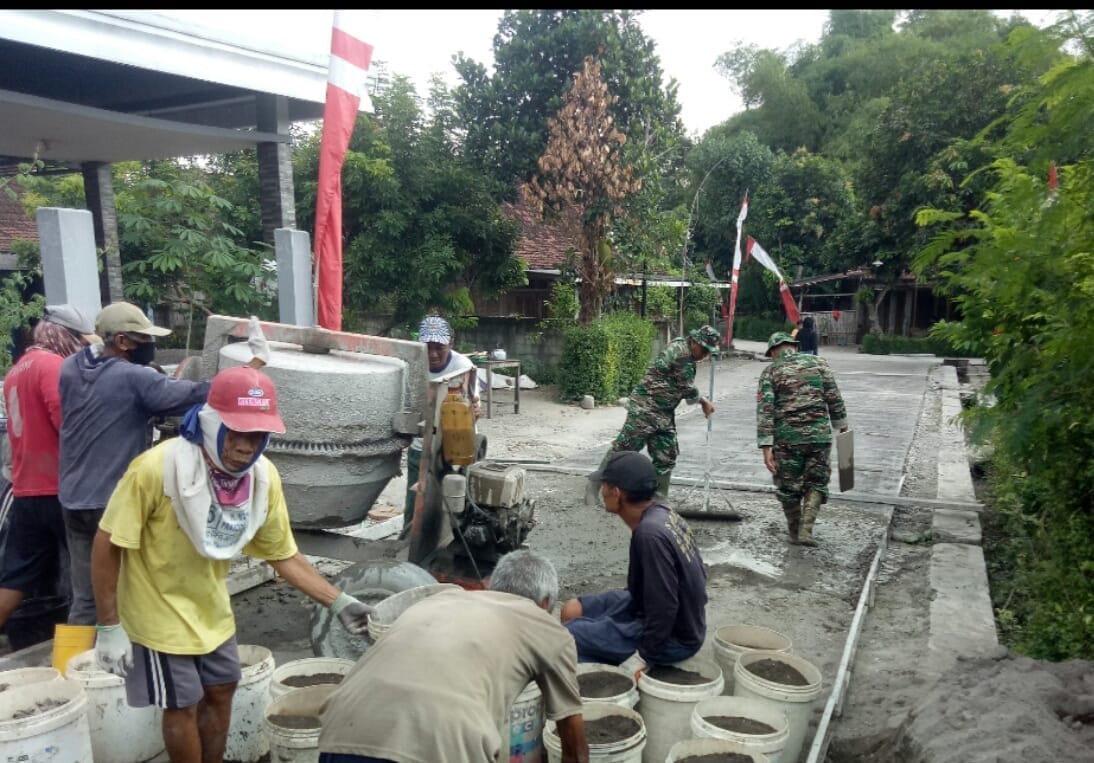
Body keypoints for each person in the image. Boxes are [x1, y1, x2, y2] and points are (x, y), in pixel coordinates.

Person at [91, 364, 374, 763]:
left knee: (223, 688)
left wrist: (340, 602)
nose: (246, 446)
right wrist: (109, 626)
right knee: (182, 703)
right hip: (156, 613)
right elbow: (108, 543)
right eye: (237, 432)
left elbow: (282, 554)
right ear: (211, 423)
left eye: (258, 435)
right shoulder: (159, 469)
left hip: (210, 608)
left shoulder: (262, 479)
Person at [58, 302, 266, 625]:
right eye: (143, 339)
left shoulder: (71, 368)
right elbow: (203, 393)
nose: (150, 345)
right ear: (122, 342)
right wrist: (255, 364)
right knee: (130, 592)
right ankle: (130, 652)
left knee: (86, 597)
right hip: (110, 501)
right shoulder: (134, 378)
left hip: (72, 498)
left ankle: (78, 657)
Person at [317, 549, 589, 763]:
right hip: (442, 745)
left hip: (342, 730)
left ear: (490, 586)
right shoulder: (547, 628)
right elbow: (574, 747)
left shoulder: (440, 598)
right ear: (545, 603)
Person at [563, 450, 707, 670]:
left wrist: (643, 656)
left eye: (604, 486)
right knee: (572, 609)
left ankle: (597, 675)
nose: (602, 491)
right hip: (645, 606)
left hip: (675, 638)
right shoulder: (662, 512)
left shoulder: (649, 535)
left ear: (616, 493)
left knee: (566, 636)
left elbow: (665, 608)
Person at [0, 305, 97, 631]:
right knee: (91, 580)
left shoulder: (18, 368)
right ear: (65, 336)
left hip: (25, 490)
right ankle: (89, 651)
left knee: (15, 578)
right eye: (81, 341)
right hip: (60, 490)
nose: (82, 349)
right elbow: (67, 423)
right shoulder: (54, 366)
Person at [591, 325, 719, 500]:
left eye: (708, 352)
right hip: (645, 409)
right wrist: (703, 401)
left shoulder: (683, 347)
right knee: (623, 451)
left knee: (666, 455)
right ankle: (593, 487)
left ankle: (658, 500)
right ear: (695, 342)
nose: (705, 355)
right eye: (704, 350)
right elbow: (686, 387)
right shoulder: (682, 355)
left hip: (663, 413)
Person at [756, 331, 848, 546]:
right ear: (794, 347)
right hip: (819, 436)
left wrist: (766, 446)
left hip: (788, 439)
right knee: (817, 482)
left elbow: (765, 410)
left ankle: (794, 531)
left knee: (788, 486)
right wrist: (842, 427)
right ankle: (806, 531)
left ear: (773, 352)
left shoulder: (770, 371)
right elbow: (834, 397)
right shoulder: (819, 363)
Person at [402, 315, 481, 533]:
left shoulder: (463, 366)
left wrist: (475, 412)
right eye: (428, 347)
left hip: (458, 446)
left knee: (459, 502)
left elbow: (474, 408)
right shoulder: (412, 366)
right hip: (421, 446)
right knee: (415, 505)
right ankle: (408, 545)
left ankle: (459, 542)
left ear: (451, 343)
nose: (433, 353)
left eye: (439, 347)